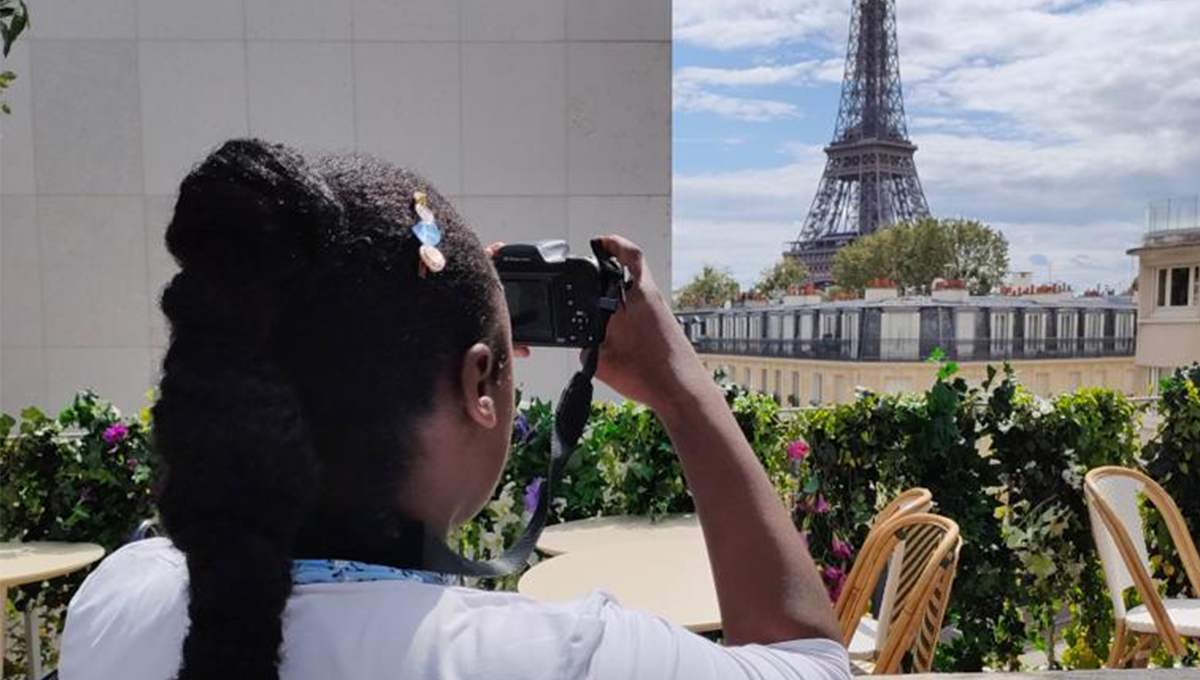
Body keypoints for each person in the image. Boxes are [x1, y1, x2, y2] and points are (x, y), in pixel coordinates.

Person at [60, 140, 847, 680]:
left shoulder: (113, 604)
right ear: (479, 386)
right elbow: (809, 661)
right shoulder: (564, 657)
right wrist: (680, 386)